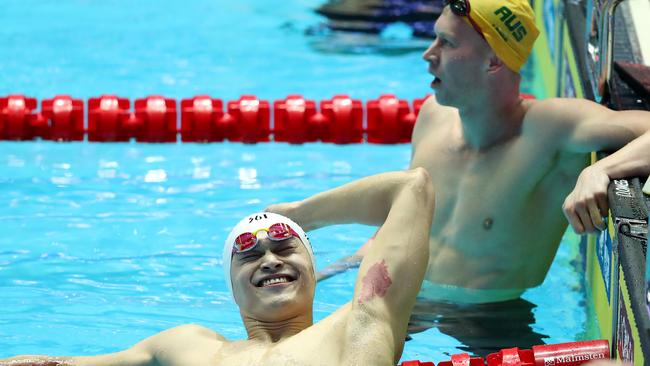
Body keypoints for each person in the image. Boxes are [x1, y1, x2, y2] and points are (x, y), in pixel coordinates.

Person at [267, 0, 650, 356]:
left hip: (491, 319)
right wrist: (347, 261)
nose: (427, 53)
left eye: (447, 43)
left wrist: (600, 169)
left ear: (494, 63)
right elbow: (410, 213)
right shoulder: (433, 115)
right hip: (408, 296)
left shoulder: (549, 130)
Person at [1, 169, 435, 366]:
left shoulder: (361, 321)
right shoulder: (188, 347)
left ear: (312, 266)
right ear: (232, 286)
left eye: (286, 248)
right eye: (249, 255)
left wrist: (300, 214)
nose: (269, 259)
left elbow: (412, 188)